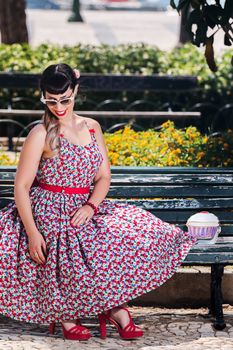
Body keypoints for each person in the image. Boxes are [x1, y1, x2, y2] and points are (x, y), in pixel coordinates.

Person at [0, 63, 197, 341]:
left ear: (76, 91)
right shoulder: (41, 133)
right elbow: (21, 186)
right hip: (48, 207)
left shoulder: (92, 127)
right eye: (51, 100)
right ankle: (72, 313)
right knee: (67, 242)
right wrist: (32, 233)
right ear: (43, 96)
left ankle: (112, 306)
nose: (59, 107)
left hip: (86, 205)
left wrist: (91, 206)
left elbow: (104, 176)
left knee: (131, 231)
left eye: (65, 100)